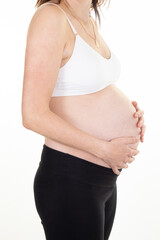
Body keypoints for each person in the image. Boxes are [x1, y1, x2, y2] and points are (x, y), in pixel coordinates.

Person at [21, 0, 146, 239]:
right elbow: (32, 115)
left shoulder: (87, 20)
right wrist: (103, 148)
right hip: (71, 178)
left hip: (102, 179)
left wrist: (131, 114)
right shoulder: (51, 17)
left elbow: (84, 91)